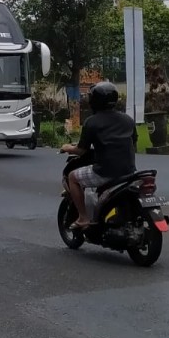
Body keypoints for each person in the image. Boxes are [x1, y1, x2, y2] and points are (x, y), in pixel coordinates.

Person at [60, 81, 137, 230]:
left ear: (94, 101)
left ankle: (83, 218)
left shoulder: (92, 122)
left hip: (105, 171)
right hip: (129, 171)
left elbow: (81, 150)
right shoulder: (128, 120)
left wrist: (67, 147)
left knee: (73, 177)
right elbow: (133, 142)